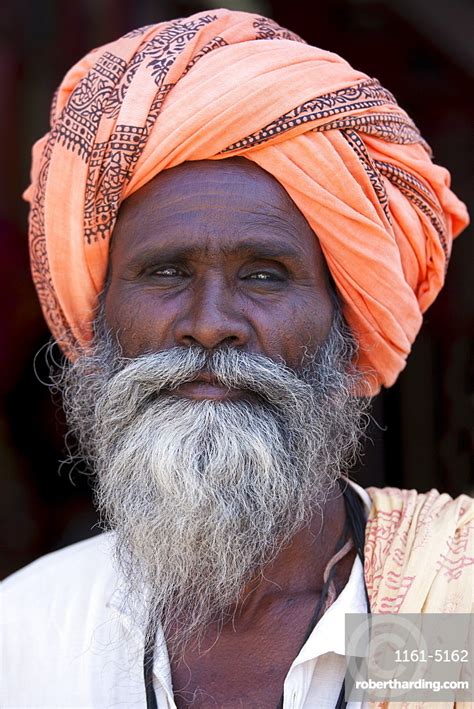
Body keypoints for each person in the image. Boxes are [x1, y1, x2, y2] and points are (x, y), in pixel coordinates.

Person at [2, 9, 472, 709]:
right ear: (100, 327)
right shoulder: (28, 634)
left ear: (346, 324)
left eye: (264, 274)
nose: (210, 324)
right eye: (165, 272)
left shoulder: (440, 598)